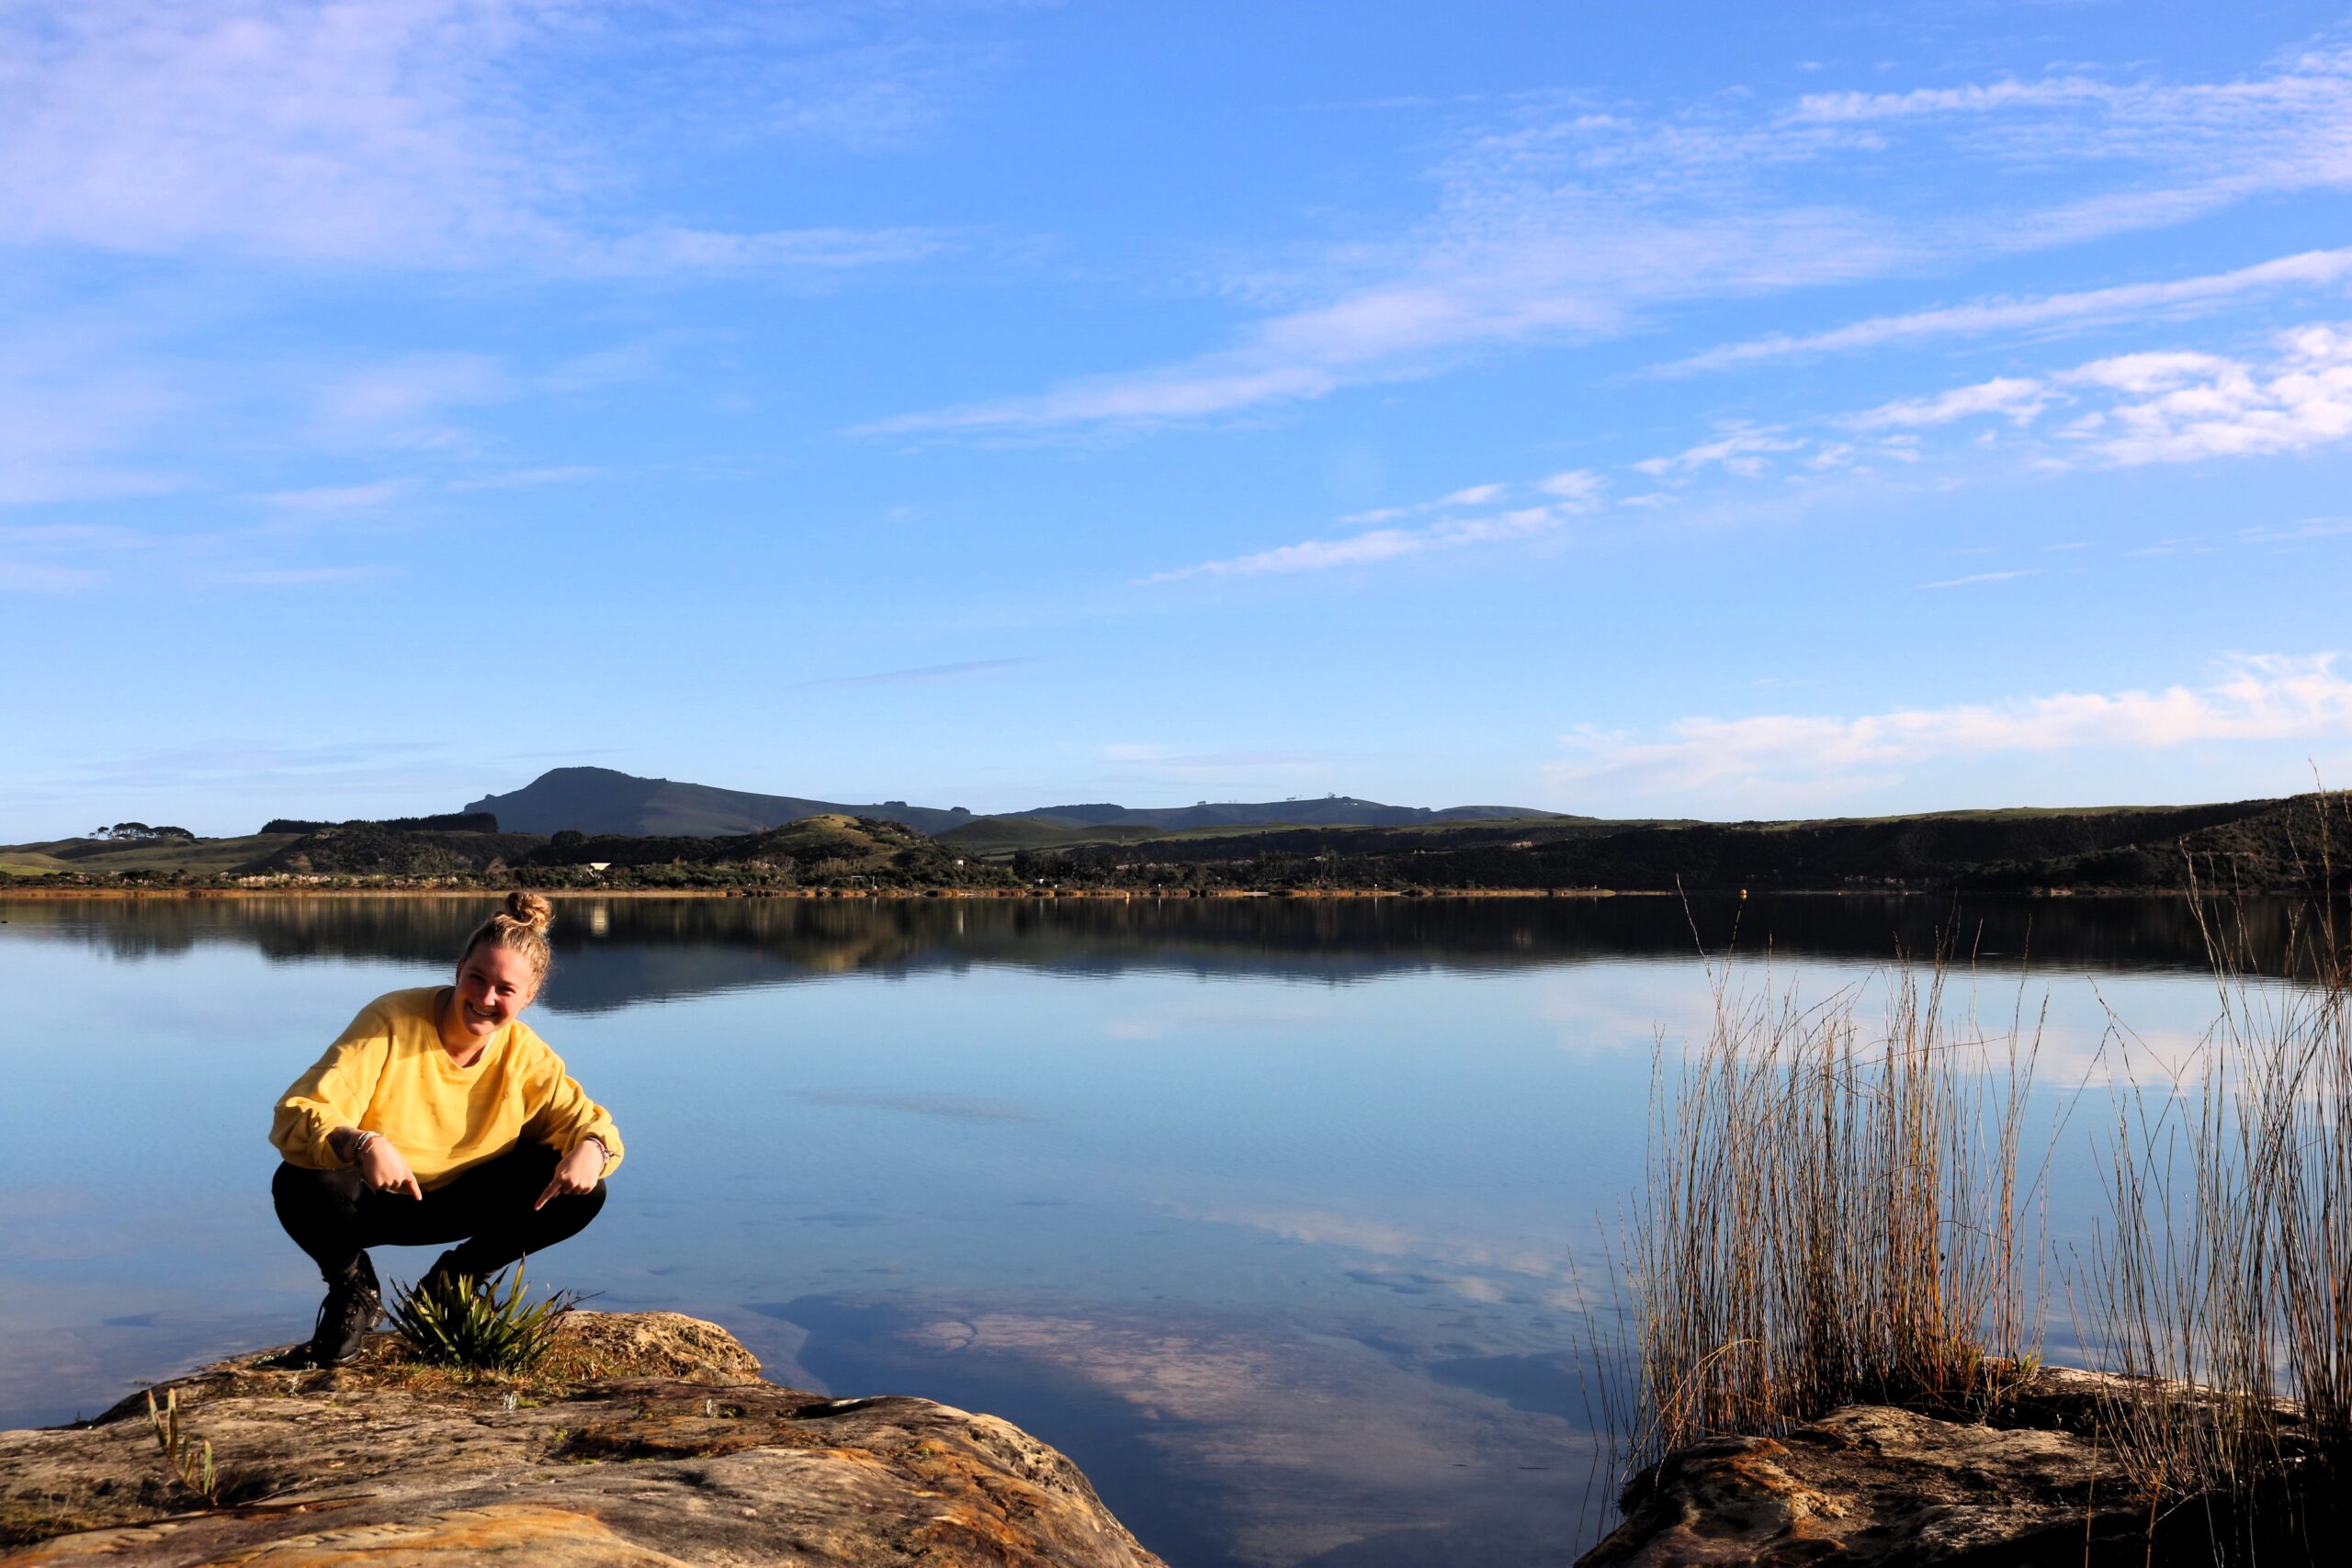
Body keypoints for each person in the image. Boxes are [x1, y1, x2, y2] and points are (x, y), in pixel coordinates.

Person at [267, 891, 622, 1367]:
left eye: (505, 990)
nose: (485, 998)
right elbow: (299, 1111)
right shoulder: (391, 1020)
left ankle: (453, 1282)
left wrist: (593, 1149)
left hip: (467, 1203)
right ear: (458, 970)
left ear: (530, 997)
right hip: (379, 1201)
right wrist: (363, 1141)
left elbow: (589, 1122)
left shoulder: (526, 1054)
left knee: (586, 1190)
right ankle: (354, 1289)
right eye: (476, 979)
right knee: (300, 1180)